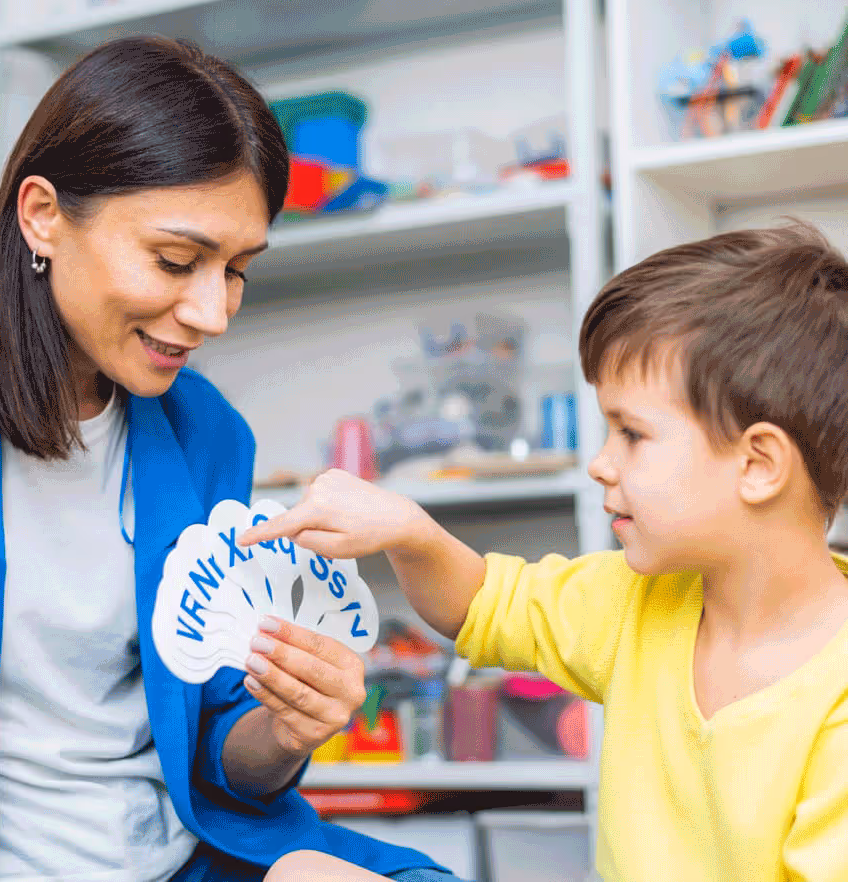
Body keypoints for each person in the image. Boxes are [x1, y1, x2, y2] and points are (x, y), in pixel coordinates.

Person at [0, 34, 469, 882]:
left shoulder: (206, 434)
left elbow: (223, 757)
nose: (213, 313)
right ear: (42, 214)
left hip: (182, 860)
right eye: (176, 260)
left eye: (237, 272)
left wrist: (287, 724)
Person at [240, 221, 848, 882]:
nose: (599, 464)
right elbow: (479, 608)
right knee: (304, 872)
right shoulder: (636, 599)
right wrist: (409, 530)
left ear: (758, 464)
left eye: (632, 435)